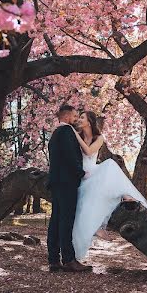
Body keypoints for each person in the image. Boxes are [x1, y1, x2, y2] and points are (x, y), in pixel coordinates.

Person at [71, 110, 147, 261]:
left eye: (82, 117)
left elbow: (88, 151)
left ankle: (125, 196)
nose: (79, 119)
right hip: (81, 174)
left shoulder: (99, 138)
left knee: (110, 166)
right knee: (87, 201)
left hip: (93, 171)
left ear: (90, 121)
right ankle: (96, 228)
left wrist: (75, 136)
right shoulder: (78, 136)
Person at [46, 104, 92, 273]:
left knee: (56, 221)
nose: (75, 119)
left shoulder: (55, 134)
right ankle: (69, 260)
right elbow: (70, 156)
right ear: (66, 117)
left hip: (57, 182)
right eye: (74, 116)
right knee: (66, 221)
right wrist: (80, 173)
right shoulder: (66, 132)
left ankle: (53, 260)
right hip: (67, 183)